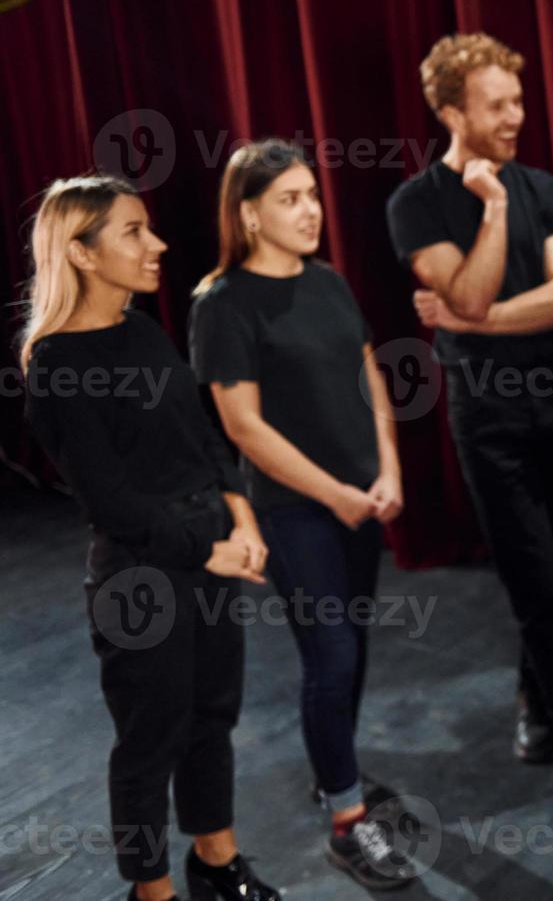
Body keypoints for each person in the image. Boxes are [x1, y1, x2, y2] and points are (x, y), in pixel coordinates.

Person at [19, 175, 280, 901]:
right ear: (81, 252)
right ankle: (152, 892)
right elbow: (112, 501)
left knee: (212, 719)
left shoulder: (142, 330)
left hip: (210, 544)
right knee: (148, 745)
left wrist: (242, 515)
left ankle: (218, 867)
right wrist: (209, 549)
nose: (157, 243)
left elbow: (200, 435)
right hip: (142, 576)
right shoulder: (57, 365)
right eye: (133, 231)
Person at [387, 32, 553, 819]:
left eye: (518, 100)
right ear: (452, 111)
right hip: (485, 414)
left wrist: (468, 321)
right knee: (532, 576)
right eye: (498, 105)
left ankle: (534, 696)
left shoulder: (546, 188)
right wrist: (489, 210)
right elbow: (476, 289)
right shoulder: (415, 204)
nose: (517, 115)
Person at [189, 140, 417, 889]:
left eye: (311, 195)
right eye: (289, 199)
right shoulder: (221, 303)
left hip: (359, 499)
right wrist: (337, 493)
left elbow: (369, 377)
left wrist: (385, 465)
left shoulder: (328, 282)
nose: (310, 209)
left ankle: (336, 775)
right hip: (293, 512)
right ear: (248, 214)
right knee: (331, 656)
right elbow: (245, 428)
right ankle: (348, 824)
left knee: (350, 648)